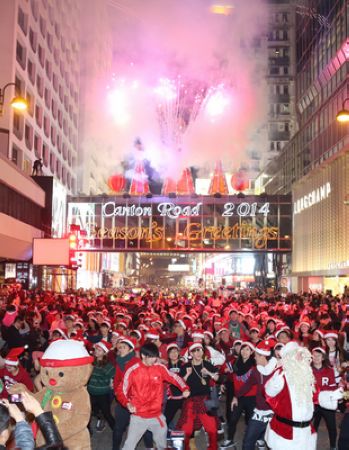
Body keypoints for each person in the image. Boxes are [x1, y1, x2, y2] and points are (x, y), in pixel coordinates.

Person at [264, 341, 342, 450]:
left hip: (305, 432)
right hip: (285, 432)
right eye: (298, 353)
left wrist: (331, 396)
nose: (301, 356)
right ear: (290, 356)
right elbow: (269, 393)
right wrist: (276, 381)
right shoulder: (282, 374)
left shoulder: (306, 373)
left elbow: (315, 395)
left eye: (302, 353)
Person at [117, 342, 190, 450]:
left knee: (162, 445)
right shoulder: (133, 371)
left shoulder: (159, 368)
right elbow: (121, 390)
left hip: (157, 416)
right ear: (143, 356)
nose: (154, 360)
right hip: (139, 417)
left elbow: (174, 377)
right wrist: (127, 403)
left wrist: (185, 388)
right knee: (129, 446)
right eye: (151, 357)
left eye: (155, 357)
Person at [177, 342, 219, 450]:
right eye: (195, 351)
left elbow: (219, 378)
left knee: (212, 429)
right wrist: (187, 374)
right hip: (191, 401)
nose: (198, 353)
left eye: (199, 350)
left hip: (206, 400)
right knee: (186, 430)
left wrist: (209, 373)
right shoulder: (186, 366)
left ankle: (213, 448)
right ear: (191, 353)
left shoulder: (207, 364)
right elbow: (179, 383)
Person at [311, 347, 338, 450]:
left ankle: (333, 446)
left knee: (331, 426)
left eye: (319, 355)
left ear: (323, 358)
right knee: (311, 425)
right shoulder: (308, 370)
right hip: (313, 403)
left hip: (326, 402)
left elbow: (333, 387)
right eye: (314, 355)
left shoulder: (329, 370)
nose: (316, 357)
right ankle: (310, 443)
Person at [87, 339, 115, 433]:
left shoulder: (107, 365)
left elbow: (114, 375)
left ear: (104, 353)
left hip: (102, 393)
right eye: (96, 349)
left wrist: (111, 383)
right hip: (90, 392)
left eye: (99, 350)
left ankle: (116, 430)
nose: (96, 352)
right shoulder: (91, 362)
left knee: (107, 413)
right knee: (89, 412)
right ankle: (88, 431)